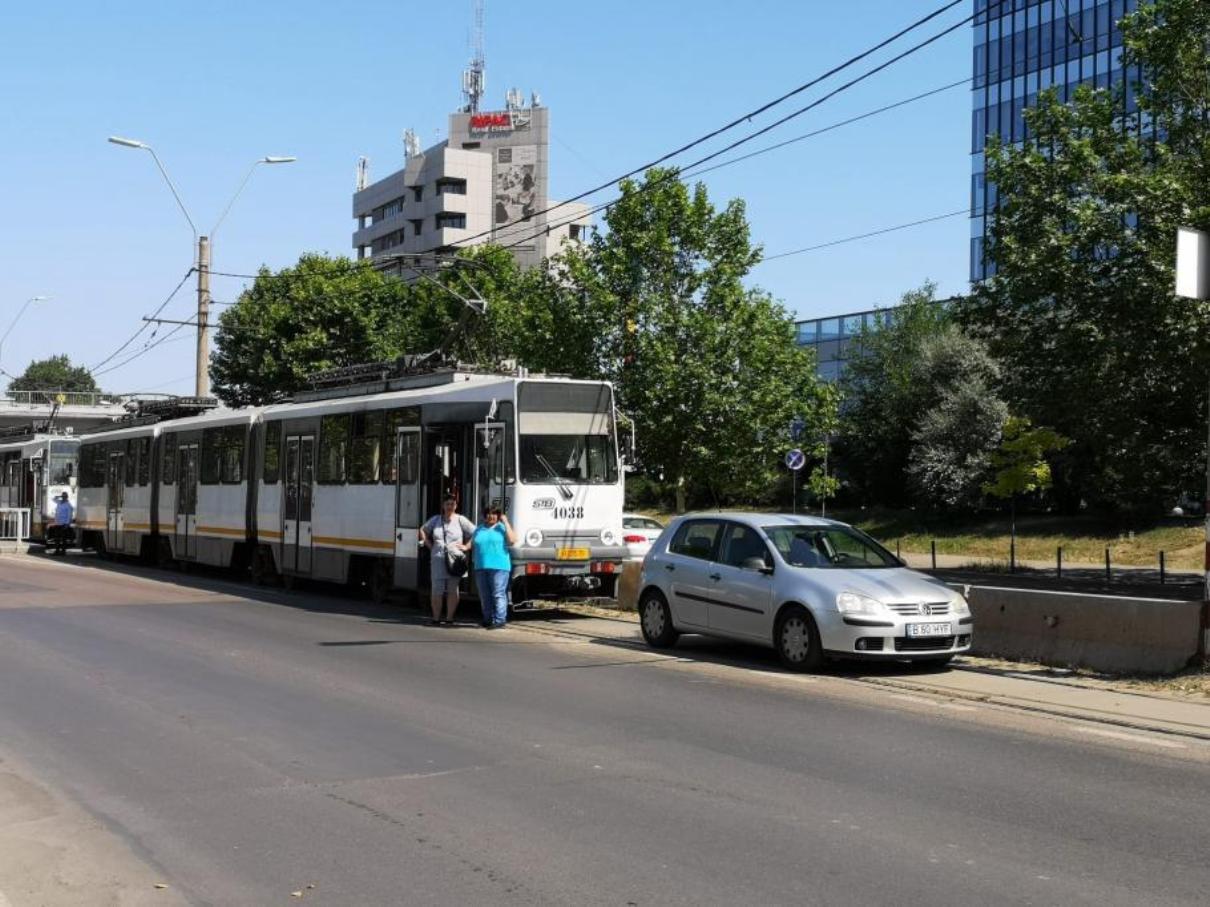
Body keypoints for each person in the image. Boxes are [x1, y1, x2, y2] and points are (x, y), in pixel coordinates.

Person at [419, 495, 475, 626]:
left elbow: (476, 533)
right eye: (447, 504)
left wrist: (467, 546)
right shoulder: (436, 519)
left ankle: (450, 618)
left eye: (452, 504)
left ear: (456, 506)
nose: (450, 506)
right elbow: (423, 530)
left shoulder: (461, 520)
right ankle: (436, 618)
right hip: (438, 559)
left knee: (452, 589)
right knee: (436, 589)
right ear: (443, 506)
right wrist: (429, 544)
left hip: (455, 560)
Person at [472, 506, 517, 629]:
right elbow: (472, 544)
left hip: (499, 567)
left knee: (498, 593)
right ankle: (488, 619)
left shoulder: (502, 528)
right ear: (484, 516)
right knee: (484, 595)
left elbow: (513, 541)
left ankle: (500, 620)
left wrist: (506, 522)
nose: (491, 516)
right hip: (481, 566)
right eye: (488, 514)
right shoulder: (479, 529)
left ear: (498, 516)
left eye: (494, 514)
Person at [49, 492, 73, 556]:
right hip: (57, 523)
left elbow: (69, 515)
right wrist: (57, 496)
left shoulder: (68, 505)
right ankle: (57, 551)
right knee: (57, 538)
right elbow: (52, 499)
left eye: (64, 497)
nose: (63, 497)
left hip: (63, 524)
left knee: (63, 539)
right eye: (62, 496)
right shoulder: (59, 502)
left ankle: (63, 551)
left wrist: (67, 524)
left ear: (66, 497)